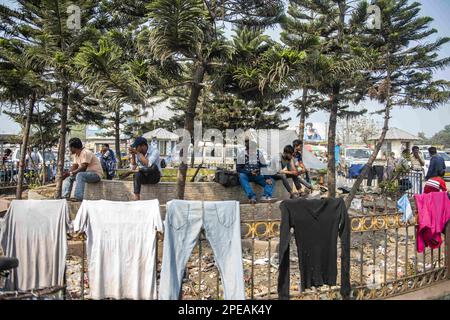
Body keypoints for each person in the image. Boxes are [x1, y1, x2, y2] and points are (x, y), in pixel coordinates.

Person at [236, 137, 275, 204]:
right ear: (247, 150)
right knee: (241, 176)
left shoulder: (259, 154)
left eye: (254, 150)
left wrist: (267, 178)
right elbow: (238, 168)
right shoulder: (241, 155)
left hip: (257, 175)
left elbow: (263, 166)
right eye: (252, 150)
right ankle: (252, 196)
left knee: (271, 181)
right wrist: (249, 172)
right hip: (247, 175)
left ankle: (266, 196)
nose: (253, 152)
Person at [129, 136, 162, 201]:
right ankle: (136, 197)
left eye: (136, 147)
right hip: (144, 178)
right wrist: (133, 155)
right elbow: (133, 167)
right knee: (137, 174)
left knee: (154, 167)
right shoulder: (138, 153)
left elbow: (148, 164)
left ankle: (141, 170)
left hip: (154, 178)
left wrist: (137, 153)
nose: (135, 148)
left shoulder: (155, 151)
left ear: (143, 146)